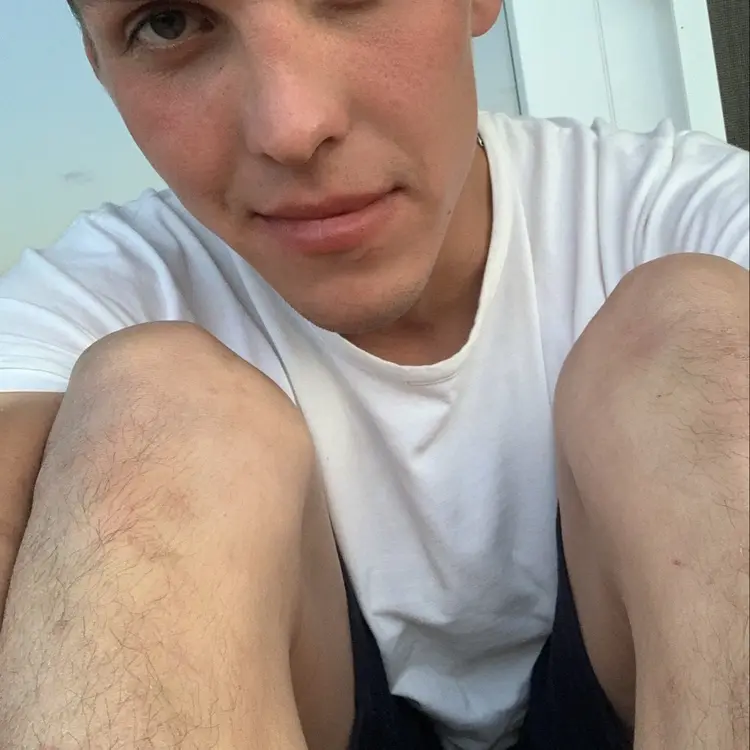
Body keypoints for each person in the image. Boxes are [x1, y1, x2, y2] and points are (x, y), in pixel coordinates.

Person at [0, 1, 747, 748]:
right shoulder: (102, 294)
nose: (292, 128)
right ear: (100, 65)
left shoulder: (679, 212)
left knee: (702, 329)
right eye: (167, 23)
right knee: (147, 406)